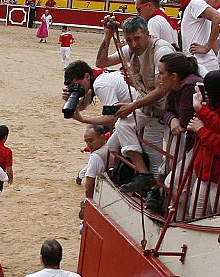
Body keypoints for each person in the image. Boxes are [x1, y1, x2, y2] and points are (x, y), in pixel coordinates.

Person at [95, 16, 173, 192]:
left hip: (171, 108)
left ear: (147, 34)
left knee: (170, 156)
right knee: (123, 125)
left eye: (137, 38)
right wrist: (108, 35)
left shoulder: (161, 50)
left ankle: (156, 190)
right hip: (151, 106)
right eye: (129, 40)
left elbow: (162, 90)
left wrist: (132, 106)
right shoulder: (133, 50)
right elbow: (101, 63)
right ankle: (143, 175)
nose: (133, 44)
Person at [64, 60, 154, 190]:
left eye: (76, 85)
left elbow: (111, 119)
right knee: (111, 146)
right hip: (139, 111)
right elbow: (83, 104)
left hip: (144, 112)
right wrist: (70, 100)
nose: (76, 89)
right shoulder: (99, 77)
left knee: (145, 148)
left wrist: (84, 120)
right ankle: (124, 176)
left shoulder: (101, 84)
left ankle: (146, 179)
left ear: (87, 77)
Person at [187, 68, 220, 217]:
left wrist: (201, 130)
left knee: (218, 222)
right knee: (194, 217)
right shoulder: (212, 108)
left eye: (208, 90)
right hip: (205, 175)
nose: (205, 94)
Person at [157, 53, 202, 217]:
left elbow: (184, 123)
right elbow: (167, 112)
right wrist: (172, 120)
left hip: (199, 144)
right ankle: (179, 218)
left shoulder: (188, 86)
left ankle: (180, 219)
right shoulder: (179, 86)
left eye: (162, 73)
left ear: (174, 76)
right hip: (193, 143)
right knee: (176, 183)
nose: (159, 77)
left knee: (175, 184)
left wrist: (174, 120)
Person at [168, 0, 220, 77]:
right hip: (199, 63)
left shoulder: (194, 3)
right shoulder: (189, 6)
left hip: (203, 64)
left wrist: (207, 47)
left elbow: (218, 17)